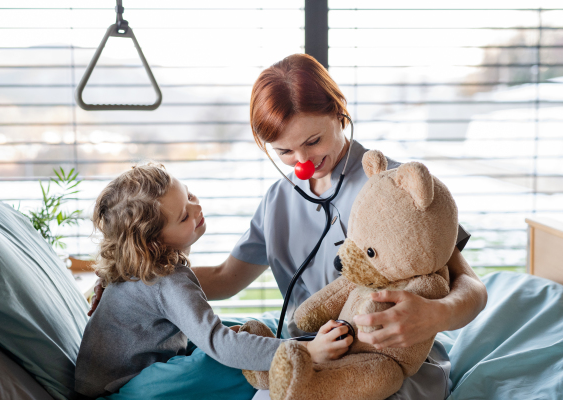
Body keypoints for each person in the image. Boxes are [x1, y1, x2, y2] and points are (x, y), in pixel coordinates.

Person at [88, 54, 488, 399]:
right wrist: (132, 282)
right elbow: (227, 278)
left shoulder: (396, 187)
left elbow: (471, 286)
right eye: (285, 152)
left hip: (387, 357)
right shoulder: (279, 200)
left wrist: (436, 316)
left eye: (313, 141)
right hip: (308, 351)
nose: (304, 161)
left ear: (338, 111)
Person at [75, 162, 352, 398]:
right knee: (225, 359)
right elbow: (219, 345)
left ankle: (286, 344)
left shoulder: (132, 262)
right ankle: (299, 359)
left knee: (241, 331)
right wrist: (306, 351)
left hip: (145, 370)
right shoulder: (167, 281)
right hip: (123, 391)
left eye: (190, 196)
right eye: (184, 216)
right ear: (153, 244)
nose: (196, 209)